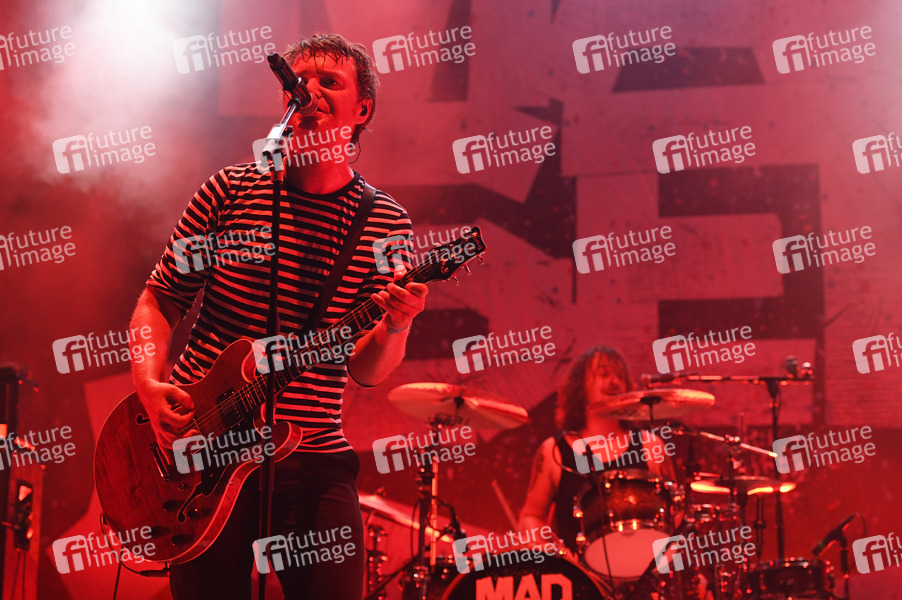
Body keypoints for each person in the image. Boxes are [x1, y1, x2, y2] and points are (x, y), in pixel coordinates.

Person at [128, 34, 427, 600]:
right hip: (203, 450)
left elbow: (366, 370)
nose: (310, 90)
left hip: (310, 454)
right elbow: (160, 298)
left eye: (330, 82)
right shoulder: (228, 191)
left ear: (363, 109)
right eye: (301, 81)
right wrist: (147, 383)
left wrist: (397, 324)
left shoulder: (385, 223)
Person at [519, 346, 677, 556]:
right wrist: (552, 554)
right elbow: (531, 517)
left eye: (620, 376)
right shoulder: (554, 451)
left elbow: (676, 513)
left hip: (648, 569)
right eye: (604, 374)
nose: (614, 382)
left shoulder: (651, 446)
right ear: (580, 386)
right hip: (577, 574)